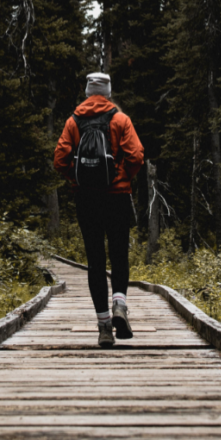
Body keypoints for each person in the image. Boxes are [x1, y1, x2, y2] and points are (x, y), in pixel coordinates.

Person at [54, 71, 144, 348]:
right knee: (119, 255)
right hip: (117, 196)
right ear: (107, 92)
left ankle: (104, 327)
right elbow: (136, 156)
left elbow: (60, 159)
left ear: (87, 91)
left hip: (87, 198)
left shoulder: (73, 121)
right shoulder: (120, 119)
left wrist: (76, 179)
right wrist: (123, 178)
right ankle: (119, 304)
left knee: (95, 260)